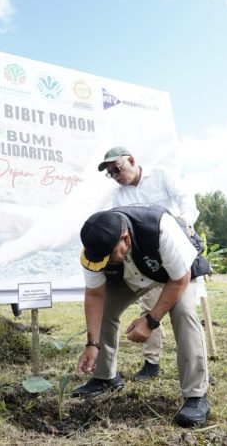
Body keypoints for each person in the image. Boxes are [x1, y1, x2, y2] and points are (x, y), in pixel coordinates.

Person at [72, 205, 210, 427]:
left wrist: (150, 320)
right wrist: (92, 344)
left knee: (184, 313)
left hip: (174, 275)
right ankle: (105, 377)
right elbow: (95, 295)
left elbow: (180, 279)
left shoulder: (160, 228)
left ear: (125, 239)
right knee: (106, 308)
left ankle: (196, 395)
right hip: (130, 274)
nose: (103, 263)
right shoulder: (95, 249)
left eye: (108, 257)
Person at [97, 146, 204, 381]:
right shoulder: (119, 195)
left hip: (173, 248)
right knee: (149, 306)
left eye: (118, 169)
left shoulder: (162, 175)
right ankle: (151, 362)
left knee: (183, 312)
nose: (116, 176)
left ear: (133, 161)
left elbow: (186, 200)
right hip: (145, 260)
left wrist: (183, 222)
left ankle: (196, 379)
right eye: (111, 174)